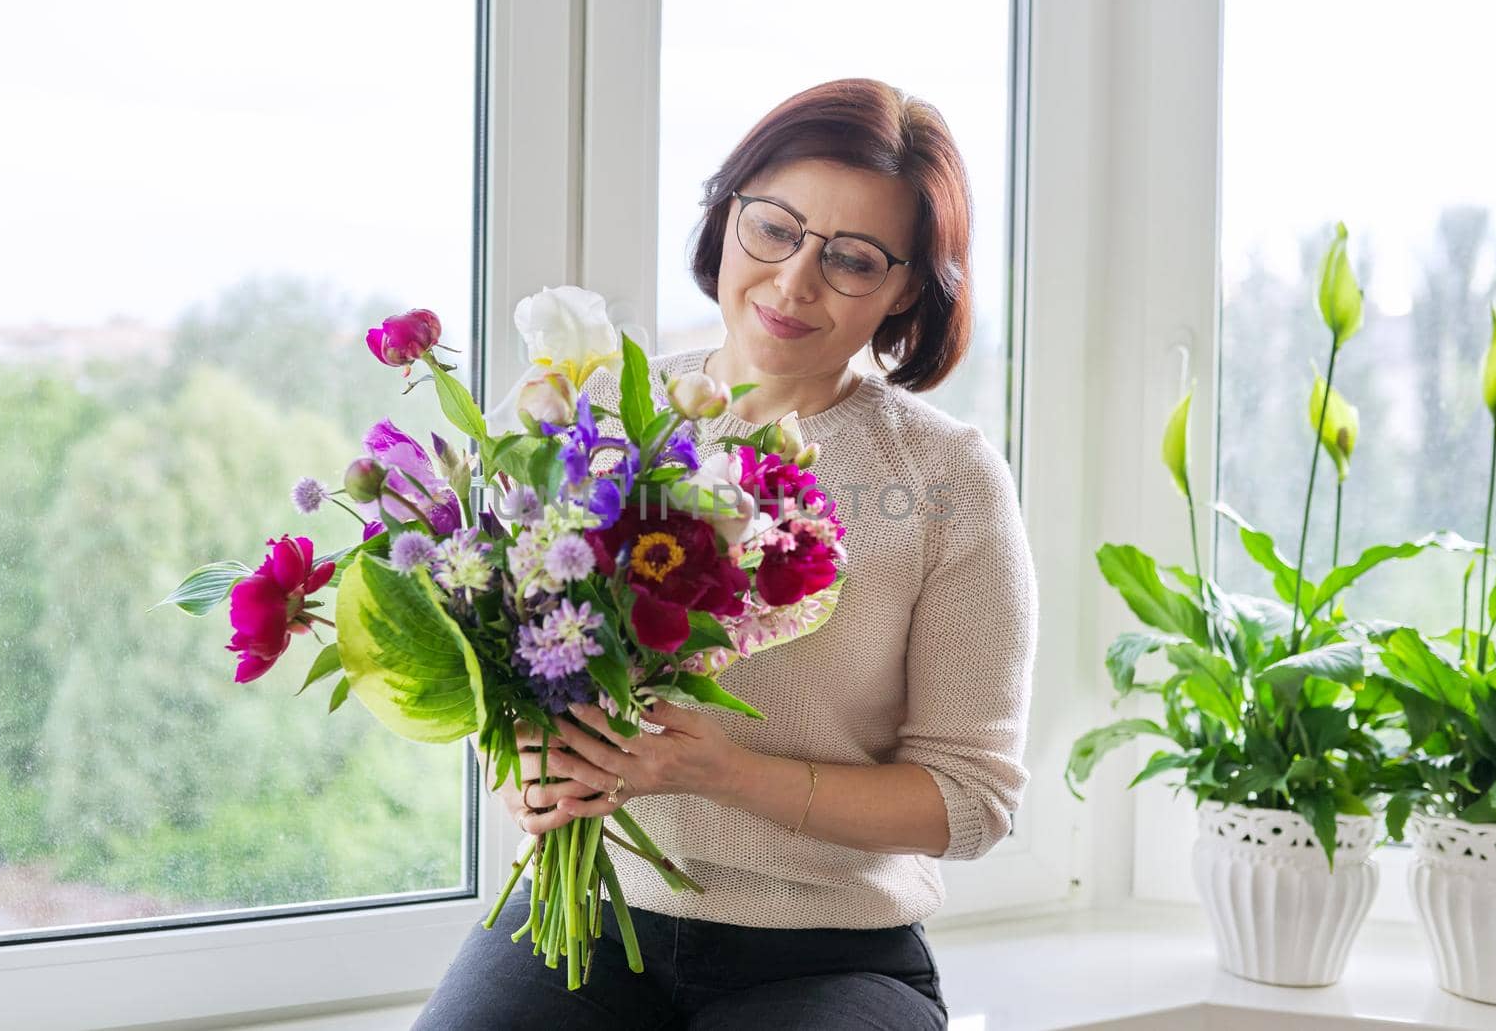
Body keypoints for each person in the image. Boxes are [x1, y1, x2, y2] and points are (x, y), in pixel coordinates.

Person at [412, 77, 1037, 1030]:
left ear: (909, 286)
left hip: (832, 959)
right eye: (775, 228)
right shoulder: (593, 409)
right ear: (727, 214)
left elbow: (969, 799)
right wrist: (527, 763)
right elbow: (501, 651)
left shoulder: (947, 479)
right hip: (587, 914)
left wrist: (721, 771)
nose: (794, 282)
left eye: (854, 259)